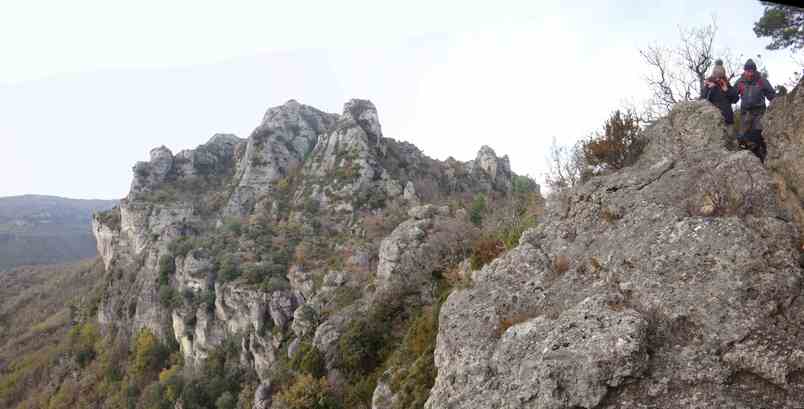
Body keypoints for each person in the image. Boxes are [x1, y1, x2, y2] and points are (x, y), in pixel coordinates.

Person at [735, 58, 776, 162]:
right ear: (744, 71)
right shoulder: (740, 82)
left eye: (751, 71)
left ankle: (765, 157)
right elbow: (733, 97)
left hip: (759, 113)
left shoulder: (761, 80)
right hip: (746, 114)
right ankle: (751, 157)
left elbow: (771, 94)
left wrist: (777, 105)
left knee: (758, 134)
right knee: (742, 137)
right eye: (747, 71)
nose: (749, 73)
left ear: (754, 71)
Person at [701, 59, 739, 131]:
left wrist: (727, 91)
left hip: (727, 120)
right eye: (716, 75)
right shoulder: (708, 84)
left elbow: (736, 99)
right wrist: (709, 89)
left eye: (720, 76)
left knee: (729, 139)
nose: (718, 78)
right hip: (712, 120)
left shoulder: (727, 85)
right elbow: (703, 100)